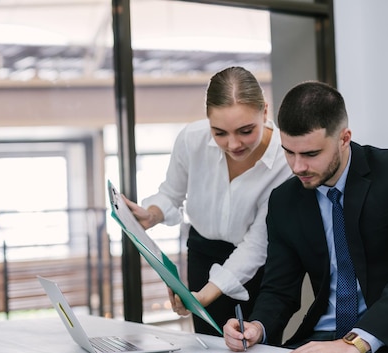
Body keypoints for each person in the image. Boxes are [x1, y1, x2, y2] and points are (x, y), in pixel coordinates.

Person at [224, 80, 388, 353]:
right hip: (322, 341)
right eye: (289, 152)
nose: (297, 166)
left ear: (344, 138)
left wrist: (355, 342)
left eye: (311, 154)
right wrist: (257, 327)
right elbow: (279, 288)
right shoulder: (284, 200)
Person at [124, 66, 292, 336]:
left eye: (245, 131)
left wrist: (203, 296)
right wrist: (152, 215)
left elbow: (257, 245)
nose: (233, 144)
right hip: (202, 253)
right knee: (208, 345)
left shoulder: (285, 161)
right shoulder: (192, 139)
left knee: (253, 343)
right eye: (220, 133)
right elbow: (171, 193)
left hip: (260, 264)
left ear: (264, 112)